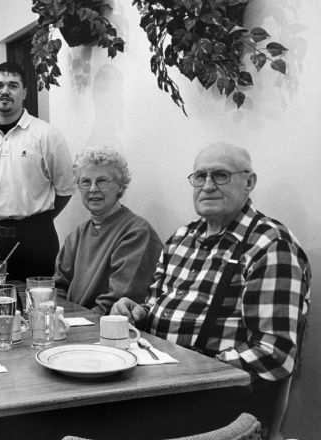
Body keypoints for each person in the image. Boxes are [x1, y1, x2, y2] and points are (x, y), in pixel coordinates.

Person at [111, 142, 311, 424]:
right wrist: (137, 311)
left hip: (217, 403)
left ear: (249, 182)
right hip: (154, 386)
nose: (207, 186)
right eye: (200, 176)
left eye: (220, 175)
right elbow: (156, 304)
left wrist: (193, 372)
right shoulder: (181, 238)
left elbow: (274, 353)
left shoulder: (270, 244)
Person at [0, 61, 74, 281]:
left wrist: (38, 221)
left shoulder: (47, 135)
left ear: (24, 92)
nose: (5, 91)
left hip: (37, 237)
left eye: (13, 85)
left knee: (39, 302)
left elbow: (66, 189)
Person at [54, 146, 162, 315]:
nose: (93, 189)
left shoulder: (137, 233)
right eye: (85, 182)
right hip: (72, 326)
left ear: (120, 186)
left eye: (102, 181)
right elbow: (57, 289)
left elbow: (117, 303)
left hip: (107, 330)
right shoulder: (76, 235)